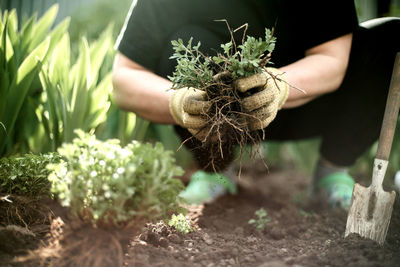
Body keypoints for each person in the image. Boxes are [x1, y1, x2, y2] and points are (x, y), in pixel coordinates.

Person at [112, 0, 400, 209]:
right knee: (186, 43)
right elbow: (123, 79)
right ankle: (215, 171)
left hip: (308, 103)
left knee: (389, 39)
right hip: (213, 117)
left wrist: (279, 87)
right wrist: (178, 102)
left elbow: (333, 61)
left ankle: (332, 172)